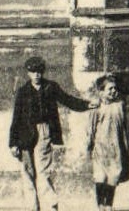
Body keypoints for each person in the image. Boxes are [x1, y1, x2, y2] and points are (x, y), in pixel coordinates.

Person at [9, 53, 90, 211]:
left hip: (44, 132)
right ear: (28, 73)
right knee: (27, 172)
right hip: (25, 134)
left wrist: (87, 105)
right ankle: (32, 207)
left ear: (43, 71)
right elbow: (16, 118)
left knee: (43, 171)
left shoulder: (51, 87)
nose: (36, 75)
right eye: (33, 72)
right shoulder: (23, 91)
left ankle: (51, 205)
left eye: (39, 71)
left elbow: (68, 100)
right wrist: (12, 143)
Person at [86, 73, 129, 208]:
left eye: (115, 89)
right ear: (101, 91)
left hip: (115, 148)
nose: (113, 91)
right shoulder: (97, 108)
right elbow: (91, 129)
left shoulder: (120, 105)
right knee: (100, 177)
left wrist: (125, 146)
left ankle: (109, 205)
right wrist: (89, 145)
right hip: (100, 148)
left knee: (113, 177)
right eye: (110, 89)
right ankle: (100, 205)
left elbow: (123, 128)